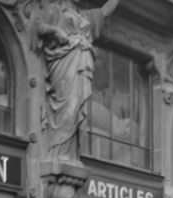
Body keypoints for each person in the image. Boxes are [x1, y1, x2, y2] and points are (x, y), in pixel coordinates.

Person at [35, 0, 120, 160]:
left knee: (77, 109)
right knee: (68, 107)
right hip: (64, 62)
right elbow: (38, 26)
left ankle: (69, 155)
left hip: (83, 65)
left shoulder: (84, 15)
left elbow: (105, 10)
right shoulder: (55, 9)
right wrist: (55, 31)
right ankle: (57, 153)